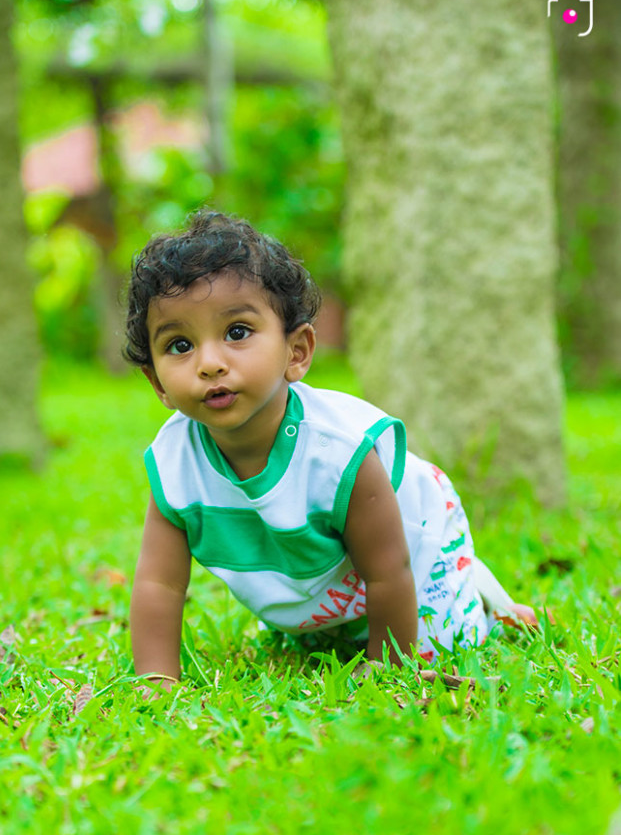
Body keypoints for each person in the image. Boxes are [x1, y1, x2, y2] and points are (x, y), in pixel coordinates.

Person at [125, 210, 535, 691]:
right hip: (326, 567)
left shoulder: (340, 453)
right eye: (179, 344)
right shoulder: (175, 464)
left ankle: (487, 599)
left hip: (412, 538)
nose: (210, 363)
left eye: (237, 332)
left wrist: (387, 671)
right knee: (323, 639)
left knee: (443, 638)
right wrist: (155, 683)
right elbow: (160, 584)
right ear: (156, 382)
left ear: (296, 352)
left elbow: (388, 571)